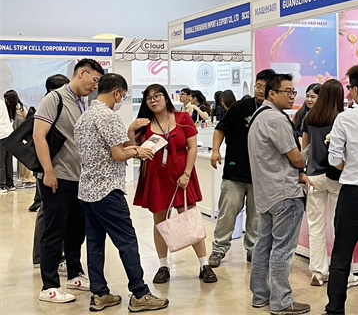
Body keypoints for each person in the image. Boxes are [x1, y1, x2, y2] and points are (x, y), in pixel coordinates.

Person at [75, 73, 169, 312]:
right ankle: (140, 293)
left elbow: (114, 147)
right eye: (123, 96)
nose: (121, 100)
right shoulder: (108, 116)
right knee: (127, 241)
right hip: (107, 191)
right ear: (116, 92)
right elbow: (119, 154)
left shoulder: (84, 116)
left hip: (87, 190)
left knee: (95, 244)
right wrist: (139, 151)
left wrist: (132, 139)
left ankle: (100, 294)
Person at [34, 59, 105, 303]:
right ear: (82, 73)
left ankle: (74, 274)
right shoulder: (54, 98)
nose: (95, 86)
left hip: (79, 179)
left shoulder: (82, 102)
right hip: (57, 178)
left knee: (76, 231)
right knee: (54, 231)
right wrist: (48, 171)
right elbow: (39, 136)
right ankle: (49, 286)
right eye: (94, 80)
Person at [132, 84, 216, 284]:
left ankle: (204, 264)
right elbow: (133, 149)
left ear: (165, 97)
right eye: (149, 98)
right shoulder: (144, 123)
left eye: (157, 96)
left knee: (190, 218)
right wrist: (130, 130)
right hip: (156, 178)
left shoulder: (183, 118)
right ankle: (163, 265)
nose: (153, 100)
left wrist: (187, 173)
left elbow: (192, 147)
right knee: (160, 221)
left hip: (182, 176)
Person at [247, 73, 312, 315]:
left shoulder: (259, 116)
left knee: (263, 245)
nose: (292, 96)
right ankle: (281, 301)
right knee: (282, 249)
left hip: (266, 193)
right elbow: (295, 158)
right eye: (288, 91)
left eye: (294, 91)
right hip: (284, 192)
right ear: (272, 94)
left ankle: (260, 296)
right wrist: (306, 158)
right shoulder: (276, 118)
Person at [324, 65, 358, 315]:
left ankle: (335, 309)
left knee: (341, 256)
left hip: (352, 193)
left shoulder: (345, 118)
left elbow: (334, 159)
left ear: (356, 90)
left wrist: (351, 165)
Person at [208, 69, 275, 268]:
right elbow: (220, 129)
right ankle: (219, 249)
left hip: (261, 176)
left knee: (256, 217)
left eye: (265, 87)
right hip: (235, 172)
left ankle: (253, 250)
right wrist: (215, 151)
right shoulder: (240, 106)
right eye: (258, 86)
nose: (260, 90)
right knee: (227, 213)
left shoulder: (274, 111)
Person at [301, 79, 350, 287]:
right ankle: (343, 274)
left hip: (313, 176)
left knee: (316, 226)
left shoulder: (309, 117)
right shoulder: (341, 118)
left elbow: (305, 149)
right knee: (340, 226)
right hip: (336, 175)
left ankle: (317, 271)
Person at [32, 74, 70, 270]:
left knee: (45, 211)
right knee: (49, 213)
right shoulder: (51, 105)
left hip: (49, 171)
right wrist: (48, 171)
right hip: (49, 171)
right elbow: (39, 137)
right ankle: (45, 258)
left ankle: (41, 257)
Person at [4, 89, 36, 187]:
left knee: (24, 158)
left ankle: (29, 179)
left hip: (24, 136)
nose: (6, 101)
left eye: (7, 99)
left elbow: (29, 121)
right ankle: (25, 178)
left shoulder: (21, 109)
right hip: (18, 136)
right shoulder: (13, 109)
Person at [0, 99, 14, 193]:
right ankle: (10, 184)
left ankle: (1, 185)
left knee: (1, 162)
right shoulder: (1, 102)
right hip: (8, 133)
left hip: (1, 134)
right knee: (8, 161)